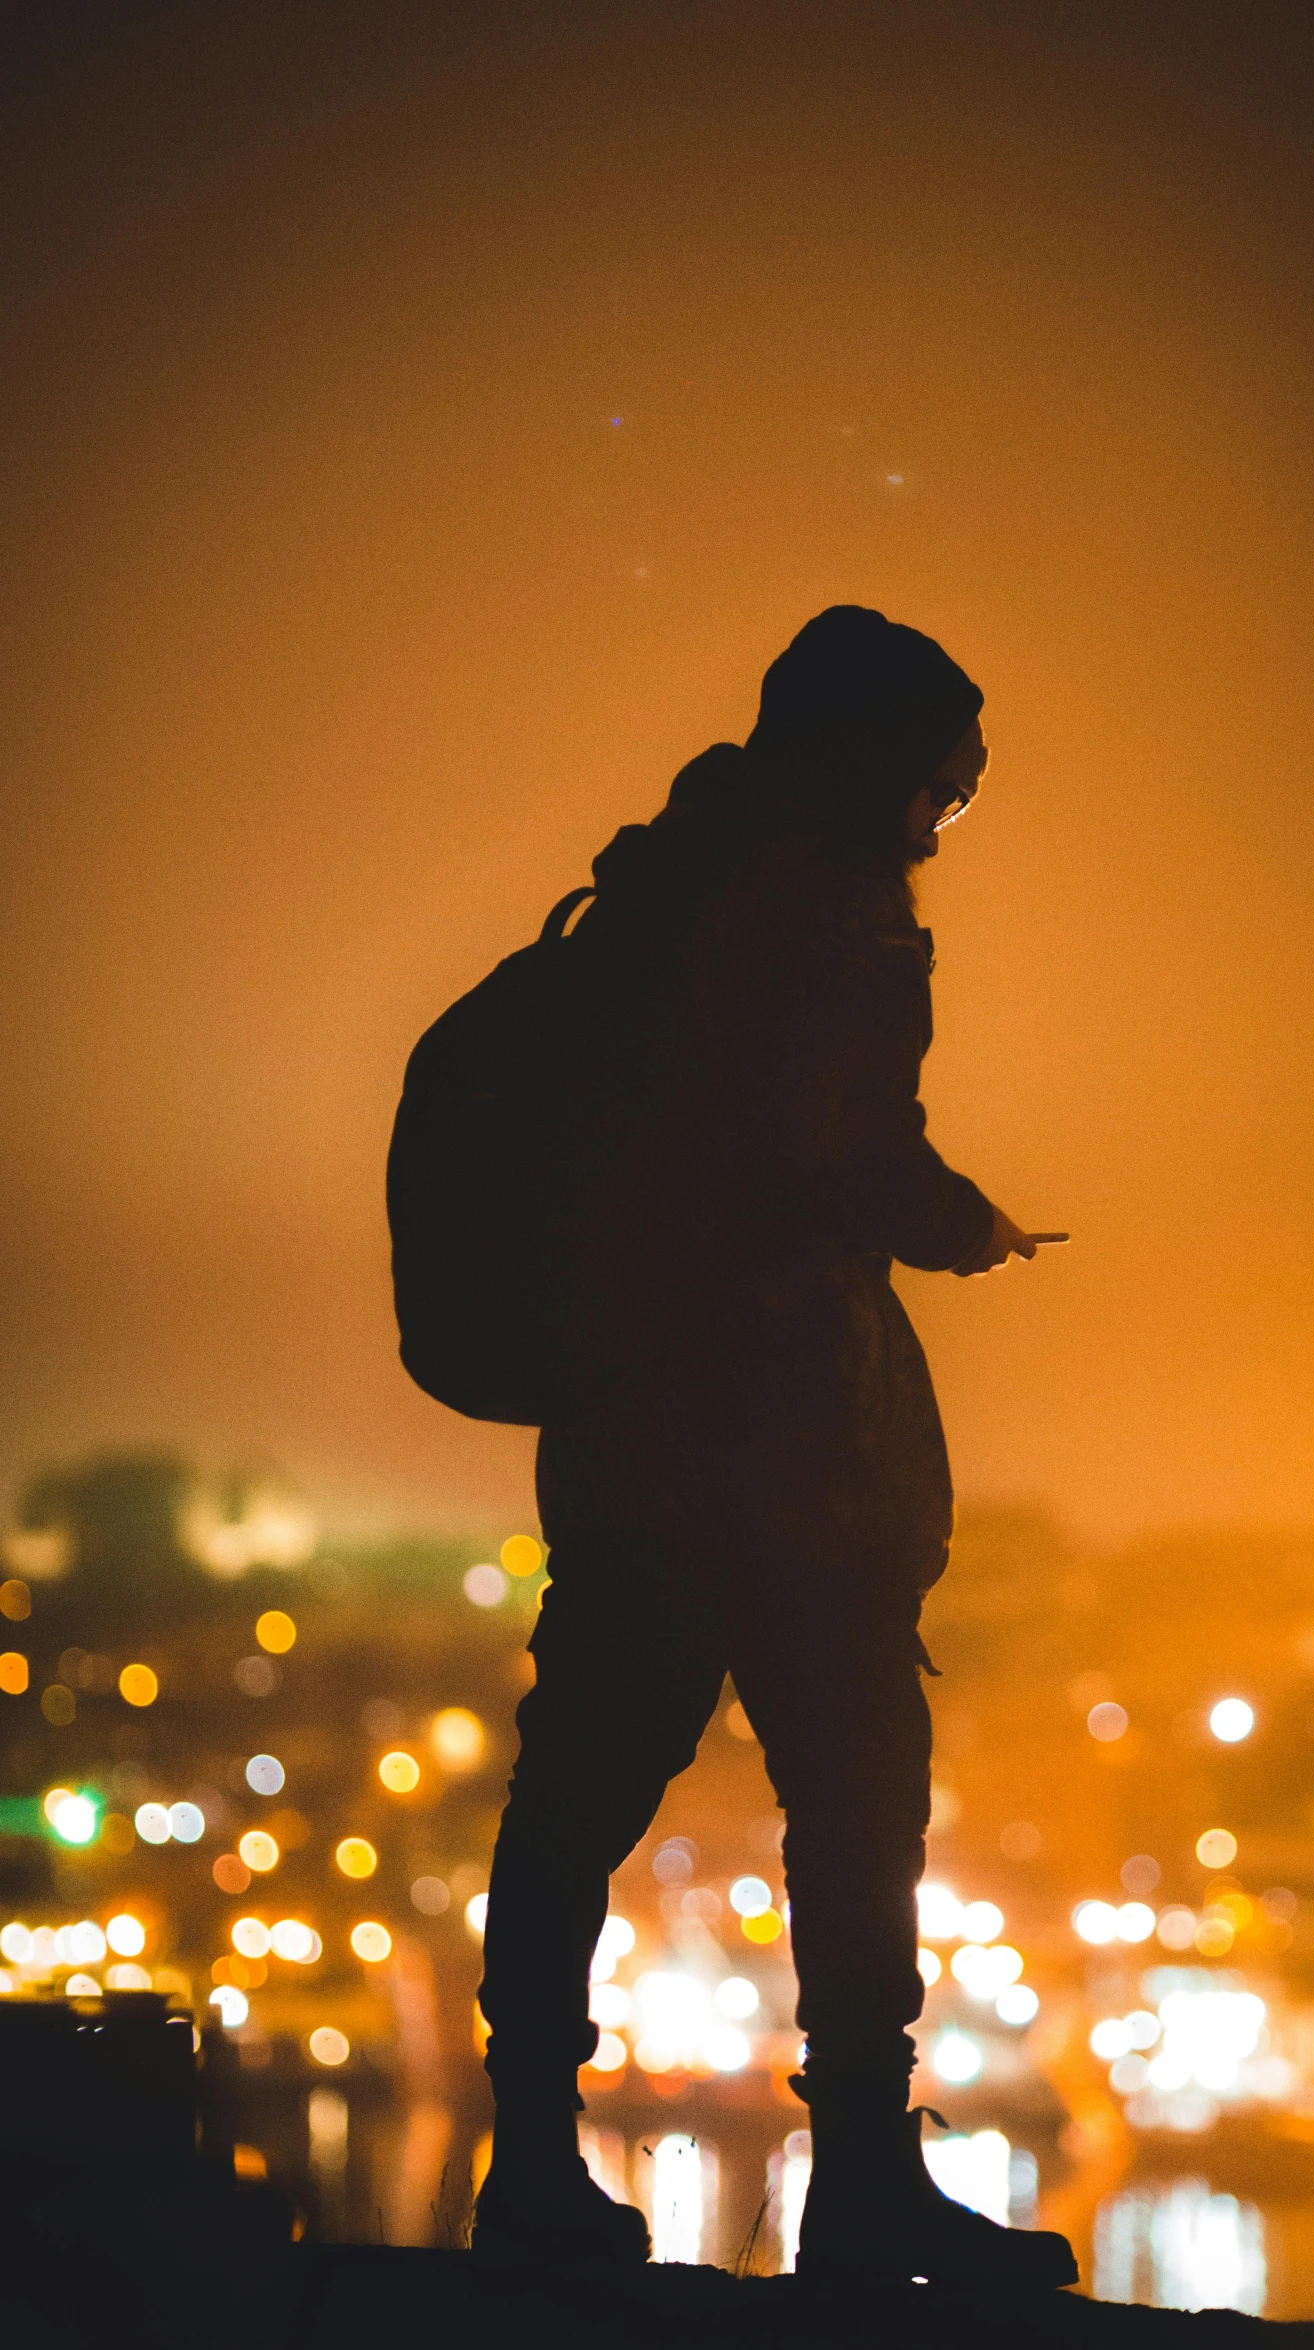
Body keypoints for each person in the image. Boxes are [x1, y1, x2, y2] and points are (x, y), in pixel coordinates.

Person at [471, 606, 1072, 2286]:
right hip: (776, 1446)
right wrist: (951, 1221)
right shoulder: (805, 917)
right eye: (938, 793)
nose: (938, 829)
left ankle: (526, 2162)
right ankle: (866, 2180)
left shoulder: (664, 889)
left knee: (579, 1791)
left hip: (630, 1437)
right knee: (857, 1798)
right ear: (868, 762)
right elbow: (825, 1150)